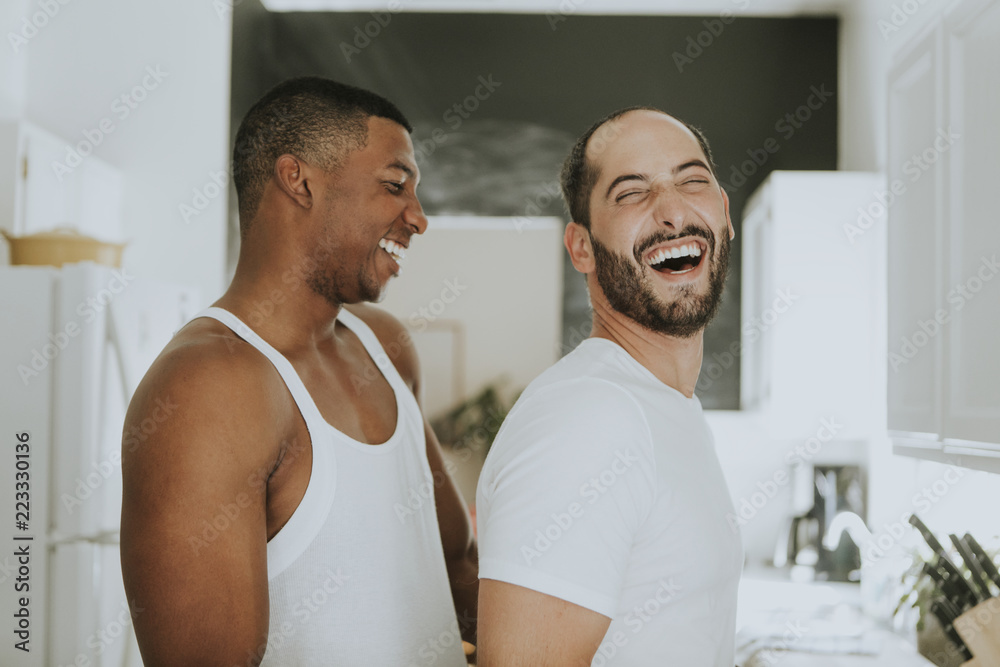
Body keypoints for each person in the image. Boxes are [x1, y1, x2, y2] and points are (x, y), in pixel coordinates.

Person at [120, 77, 477, 667]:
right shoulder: (207, 387)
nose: (418, 218)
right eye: (395, 186)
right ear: (299, 180)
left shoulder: (383, 348)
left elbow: (454, 565)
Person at [475, 107, 744, 666]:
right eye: (630, 194)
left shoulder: (664, 407)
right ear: (582, 247)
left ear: (723, 213)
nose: (672, 212)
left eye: (692, 182)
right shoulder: (588, 421)